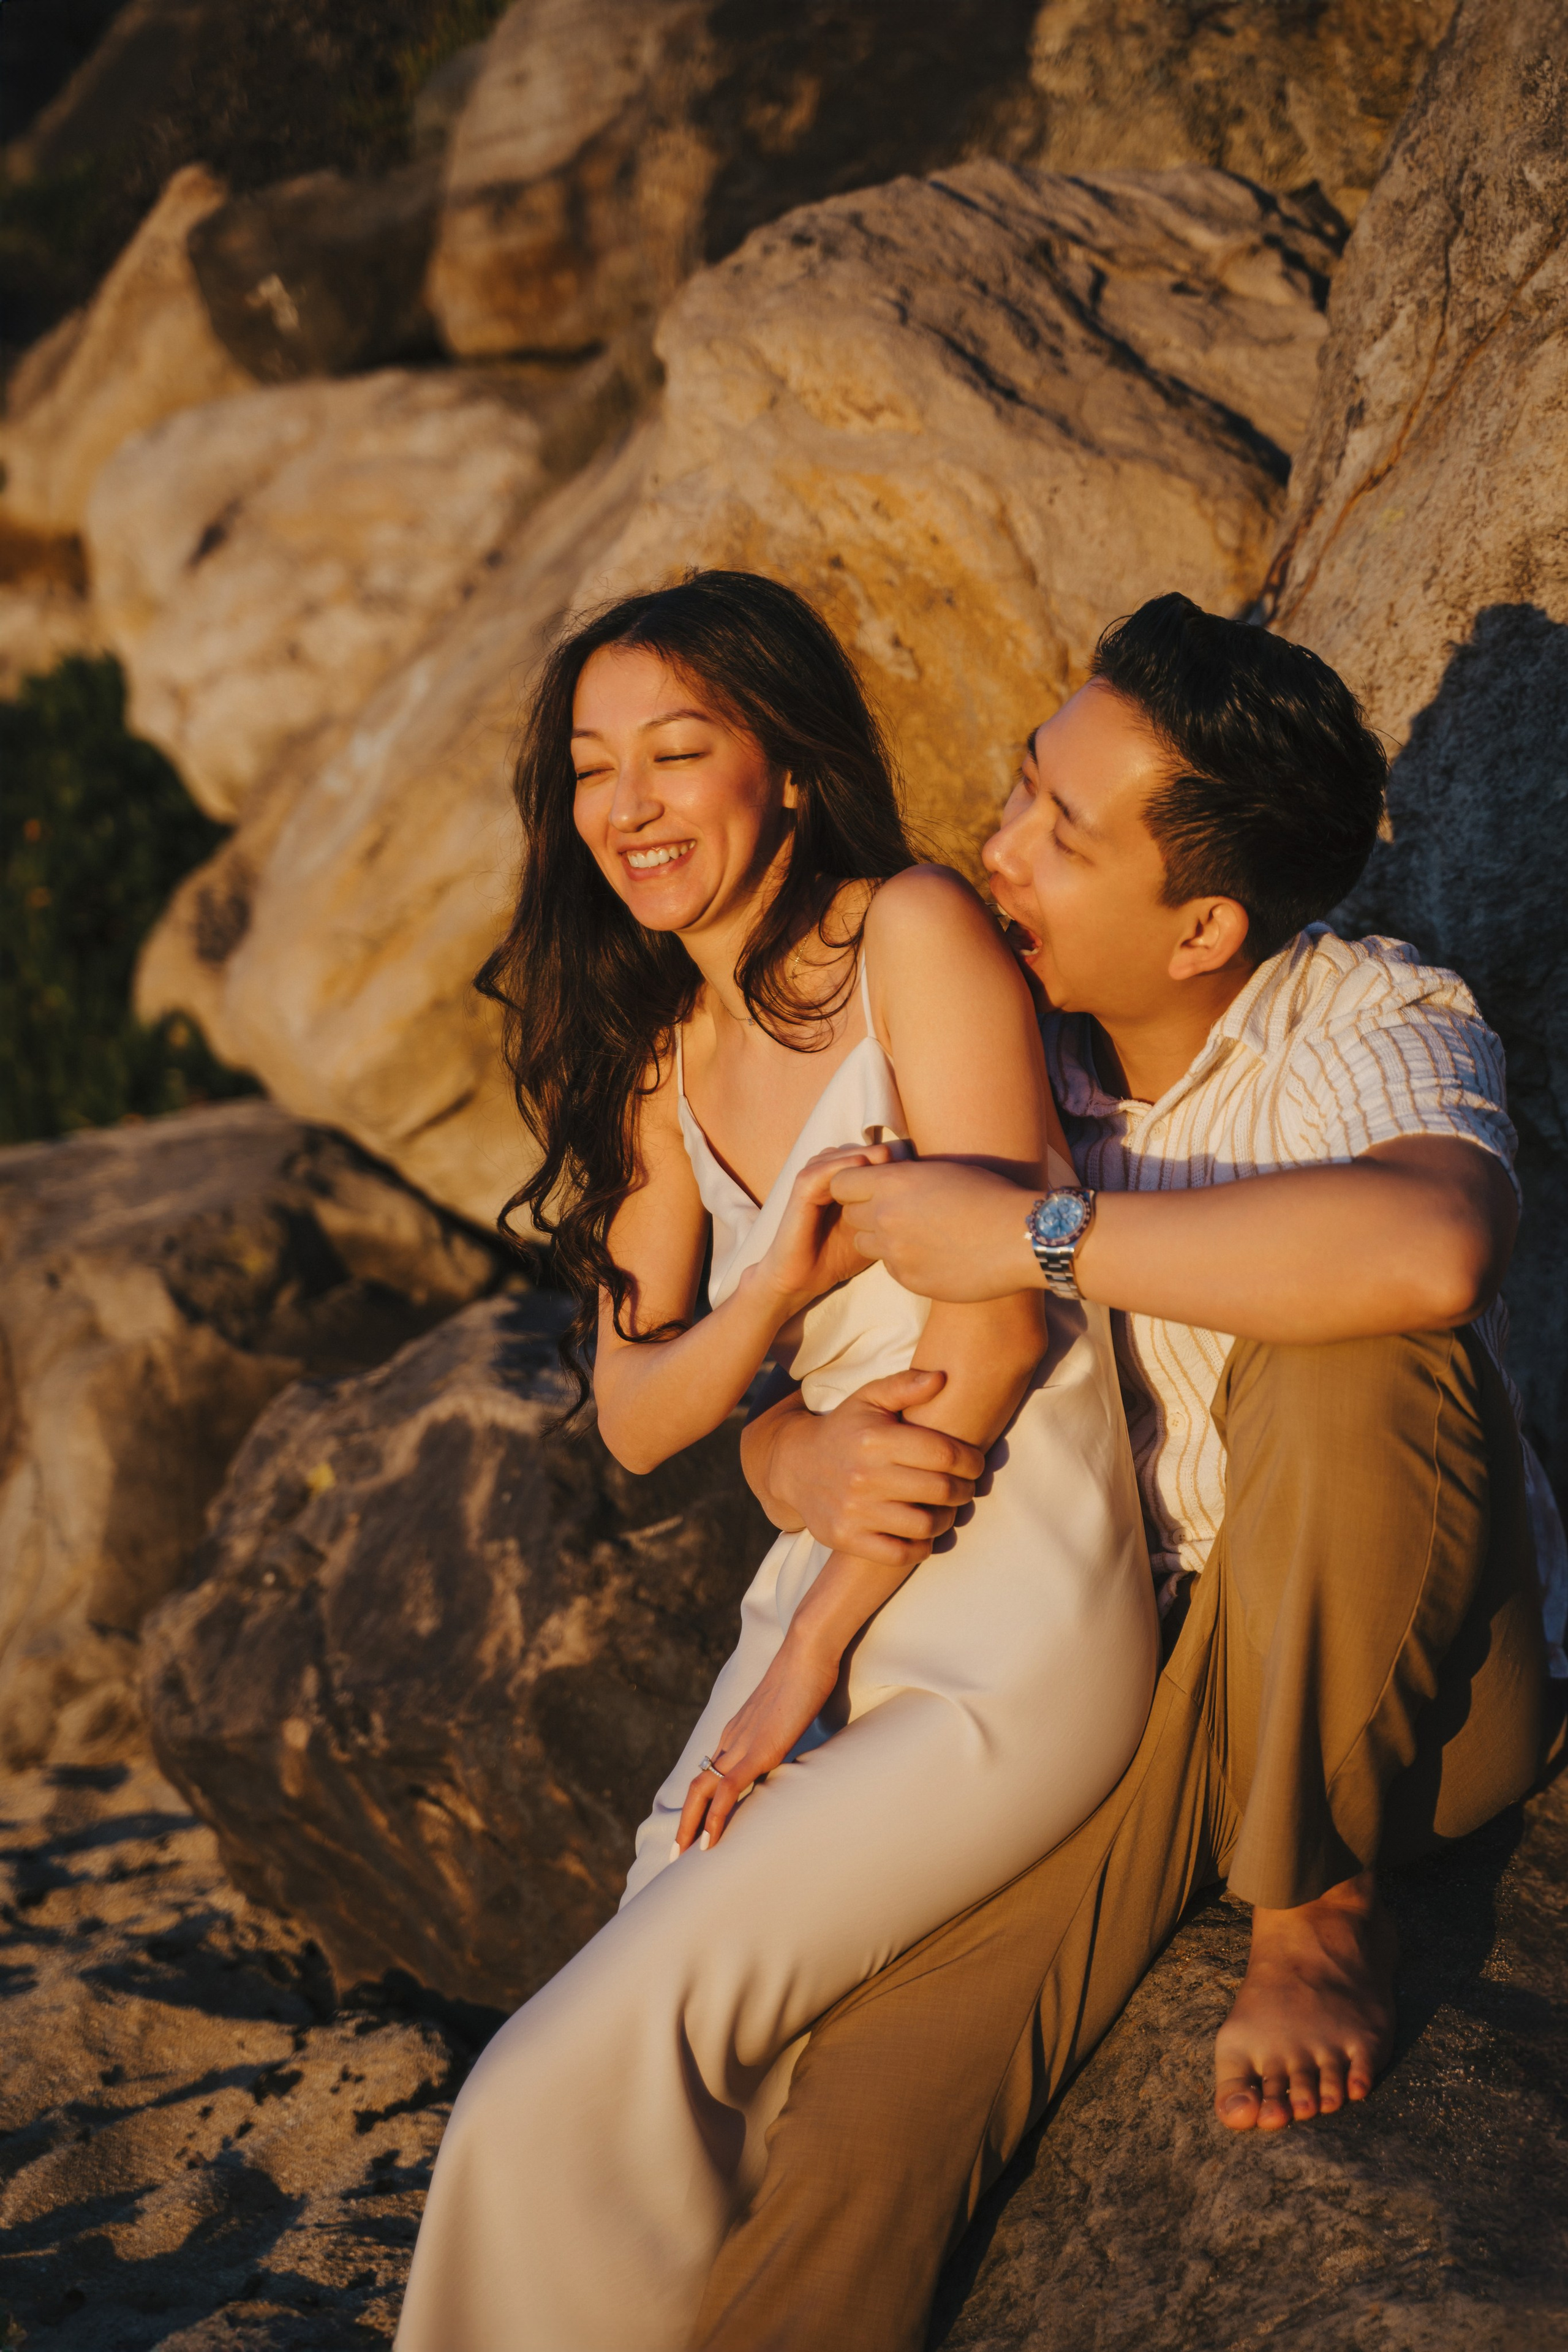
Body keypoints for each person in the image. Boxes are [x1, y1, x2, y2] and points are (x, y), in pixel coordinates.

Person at [688, 593, 1566, 2352]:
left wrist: (1035, 1234)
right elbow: (789, 1363)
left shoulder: (1366, 1018)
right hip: (1119, 1695)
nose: (999, 847)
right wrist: (789, 1453)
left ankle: (1313, 1899)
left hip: (1415, 1679)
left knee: (1357, 1356)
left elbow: (1439, 1252)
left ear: (1204, 926)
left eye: (1060, 834)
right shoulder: (981, 1043)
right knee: (870, 2116)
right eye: (1021, 788)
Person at [393, 571, 1158, 2352]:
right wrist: (783, 1341)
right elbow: (639, 1414)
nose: (629, 807)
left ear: (788, 771)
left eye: (678, 751)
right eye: (593, 768)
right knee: (660, 2033)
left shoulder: (913, 933)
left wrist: (801, 1664)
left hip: (1004, 1595)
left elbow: (1005, 1325)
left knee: (546, 2083)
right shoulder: (664, 1055)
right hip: (816, 1584)